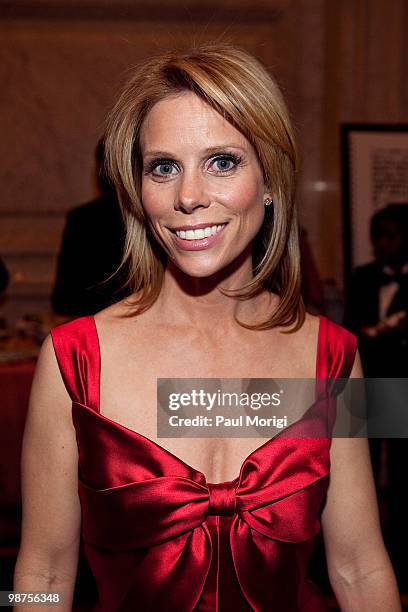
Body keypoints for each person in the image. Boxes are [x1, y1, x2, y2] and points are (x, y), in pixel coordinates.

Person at [14, 43, 400, 611]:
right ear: (138, 192)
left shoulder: (337, 356)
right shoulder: (71, 360)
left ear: (271, 181)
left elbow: (361, 567)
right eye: (164, 167)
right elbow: (42, 574)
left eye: (223, 162)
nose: (189, 197)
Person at [343, 203, 408, 592]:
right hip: (367, 385)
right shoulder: (363, 276)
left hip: (404, 386)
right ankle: (363, 556)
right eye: (377, 236)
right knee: (358, 476)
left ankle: (400, 562)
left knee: (402, 478)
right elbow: (350, 324)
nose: (382, 244)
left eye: (391, 235)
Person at [51, 140, 129, 317]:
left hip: (93, 329)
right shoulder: (148, 218)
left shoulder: (81, 219)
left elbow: (62, 299)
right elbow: (62, 298)